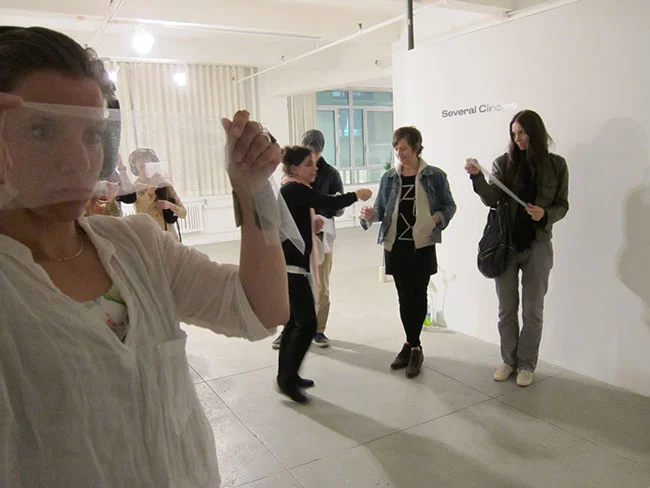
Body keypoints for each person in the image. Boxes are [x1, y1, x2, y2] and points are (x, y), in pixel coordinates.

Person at [0, 26, 288, 487]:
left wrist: (254, 190)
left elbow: (259, 309)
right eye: (42, 130)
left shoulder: (136, 244)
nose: (79, 161)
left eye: (92, 135)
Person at [465, 110, 569, 387]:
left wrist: (545, 214)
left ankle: (526, 364)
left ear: (535, 132)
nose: (517, 138)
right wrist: (477, 178)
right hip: (506, 245)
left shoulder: (557, 165)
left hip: (539, 244)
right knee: (506, 309)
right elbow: (492, 199)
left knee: (533, 310)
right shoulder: (503, 163)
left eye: (522, 132)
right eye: (514, 133)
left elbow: (562, 205)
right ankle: (508, 361)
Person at [360, 127, 456, 379]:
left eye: (403, 148)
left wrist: (435, 220)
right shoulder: (389, 178)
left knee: (418, 296)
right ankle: (413, 346)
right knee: (404, 297)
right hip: (396, 246)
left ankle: (412, 347)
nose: (399, 153)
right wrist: (370, 215)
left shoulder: (434, 176)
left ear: (416, 147)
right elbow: (381, 210)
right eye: (396, 149)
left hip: (422, 246)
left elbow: (449, 206)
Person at [278, 145, 371, 403]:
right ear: (294, 168)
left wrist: (311, 223)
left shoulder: (291, 189)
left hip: (292, 266)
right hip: (292, 269)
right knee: (307, 324)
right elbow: (328, 202)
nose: (315, 169)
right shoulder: (293, 189)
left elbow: (294, 221)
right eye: (309, 164)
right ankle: (287, 379)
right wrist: (356, 195)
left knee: (294, 323)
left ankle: (286, 376)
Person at [271, 129, 344, 349]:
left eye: (316, 154)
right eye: (308, 155)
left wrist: (325, 212)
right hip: (295, 239)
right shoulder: (291, 177)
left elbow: (337, 206)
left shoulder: (330, 174)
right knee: (292, 286)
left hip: (321, 237)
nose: (312, 161)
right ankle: (290, 328)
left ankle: (318, 330)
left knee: (321, 286)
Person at [129, 147, 187, 240]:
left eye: (147, 161)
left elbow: (183, 213)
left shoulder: (164, 184)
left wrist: (170, 205)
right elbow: (140, 211)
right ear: (134, 166)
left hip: (170, 238)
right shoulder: (134, 188)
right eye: (140, 164)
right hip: (150, 238)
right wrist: (151, 189)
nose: (144, 163)